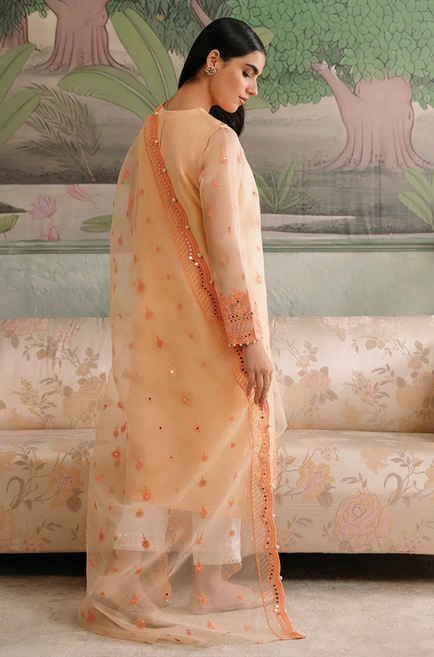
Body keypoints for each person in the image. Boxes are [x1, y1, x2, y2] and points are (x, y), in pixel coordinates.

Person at [78, 16, 304, 644]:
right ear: (212, 61)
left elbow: (138, 243)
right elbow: (226, 251)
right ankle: (177, 580)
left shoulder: (149, 131)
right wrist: (249, 340)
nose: (252, 88)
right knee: (226, 442)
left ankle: (168, 577)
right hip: (211, 330)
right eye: (247, 72)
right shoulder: (215, 140)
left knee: (157, 448)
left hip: (157, 330)